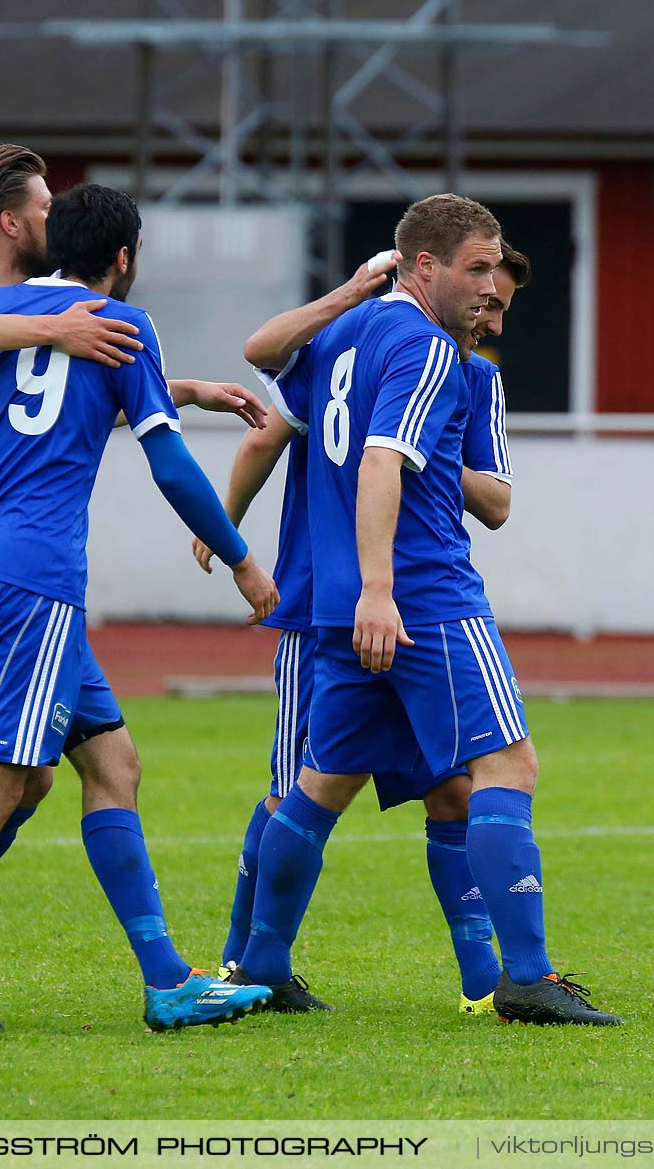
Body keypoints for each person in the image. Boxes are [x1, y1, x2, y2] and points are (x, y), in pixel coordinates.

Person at [0, 146, 267, 1028]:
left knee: (110, 764)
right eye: (33, 200)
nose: (43, 212)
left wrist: (167, 382)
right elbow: (168, 466)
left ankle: (166, 980)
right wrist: (239, 555)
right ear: (124, 258)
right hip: (25, 575)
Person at [232, 194, 621, 1025]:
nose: (488, 290)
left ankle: (261, 959)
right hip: (421, 597)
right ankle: (525, 975)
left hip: (337, 605)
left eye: (497, 275)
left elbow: (272, 385)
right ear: (425, 266)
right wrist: (381, 588)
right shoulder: (425, 347)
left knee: (319, 784)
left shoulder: (341, 336)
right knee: (507, 769)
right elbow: (381, 463)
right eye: (477, 269)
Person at [197, 240, 531, 1015]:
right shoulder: (369, 342)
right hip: (334, 606)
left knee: (440, 790)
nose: (490, 307)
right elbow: (269, 430)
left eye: (503, 299)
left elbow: (496, 501)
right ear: (431, 270)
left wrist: (427, 445)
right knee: (303, 786)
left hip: (361, 606)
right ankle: (247, 965)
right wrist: (225, 529)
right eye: (481, 284)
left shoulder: (468, 378)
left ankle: (483, 982)